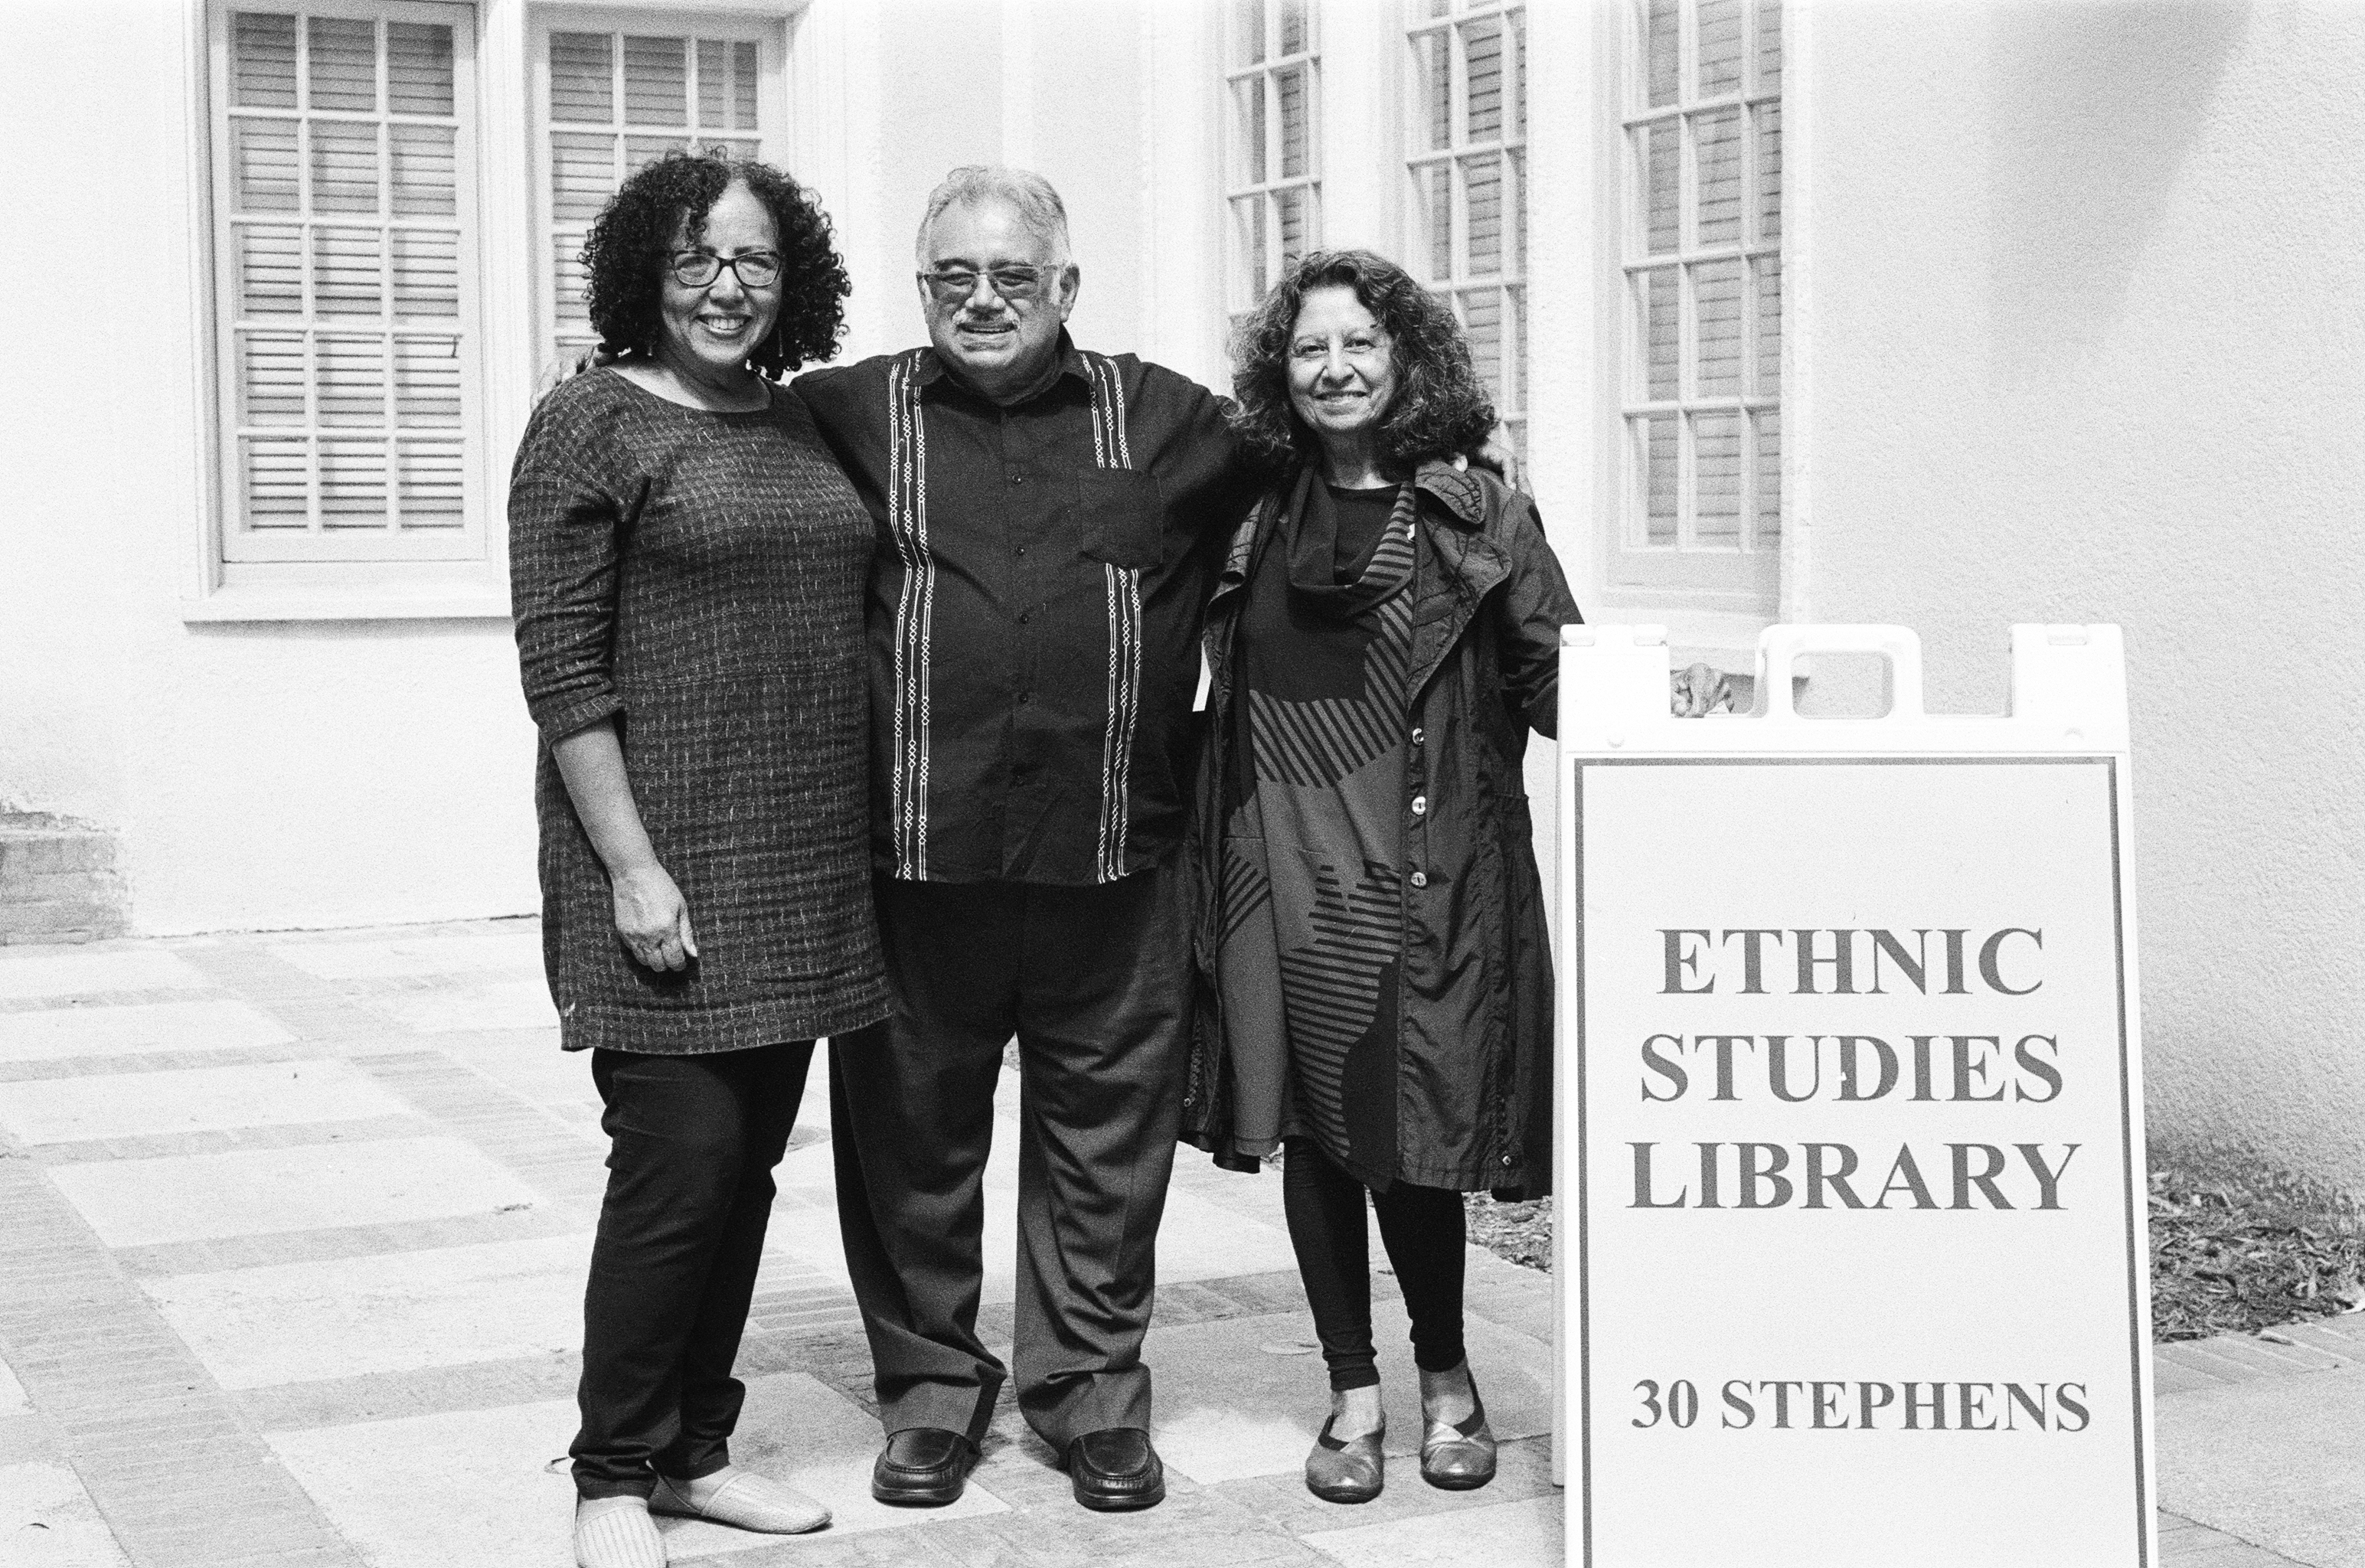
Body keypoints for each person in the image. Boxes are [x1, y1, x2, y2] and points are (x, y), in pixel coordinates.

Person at [1182, 249, 1726, 1506]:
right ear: (1282, 371)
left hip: (1423, 873)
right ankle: (1350, 1393)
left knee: (1412, 1139)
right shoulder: (1251, 508)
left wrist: (1659, 695)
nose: (1333, 369)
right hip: (1278, 870)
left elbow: (1552, 681)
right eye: (1309, 349)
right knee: (1315, 1135)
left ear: (1405, 360)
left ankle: (1446, 1378)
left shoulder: (1477, 511)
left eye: (1359, 345)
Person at [789, 167, 1271, 1513]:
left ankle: (1090, 1397)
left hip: (1113, 857)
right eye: (954, 277)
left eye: (1013, 277)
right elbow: (705, 441)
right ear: (921, 285)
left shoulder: (1170, 418)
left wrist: (1446, 456)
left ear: (1065, 286)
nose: (983, 301)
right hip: (916, 860)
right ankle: (932, 1395)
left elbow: (1322, 444)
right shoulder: (842, 414)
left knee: (1104, 1152)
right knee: (910, 1143)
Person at [510, 150, 884, 1568]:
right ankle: (612, 1471)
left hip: (798, 863)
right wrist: (631, 867)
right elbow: (563, 673)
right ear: (642, 277)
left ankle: (694, 1453)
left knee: (744, 1174)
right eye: (694, 261)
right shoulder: (588, 423)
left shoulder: (792, 423)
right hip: (661, 856)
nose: (725, 288)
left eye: (753, 263)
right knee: (678, 1165)